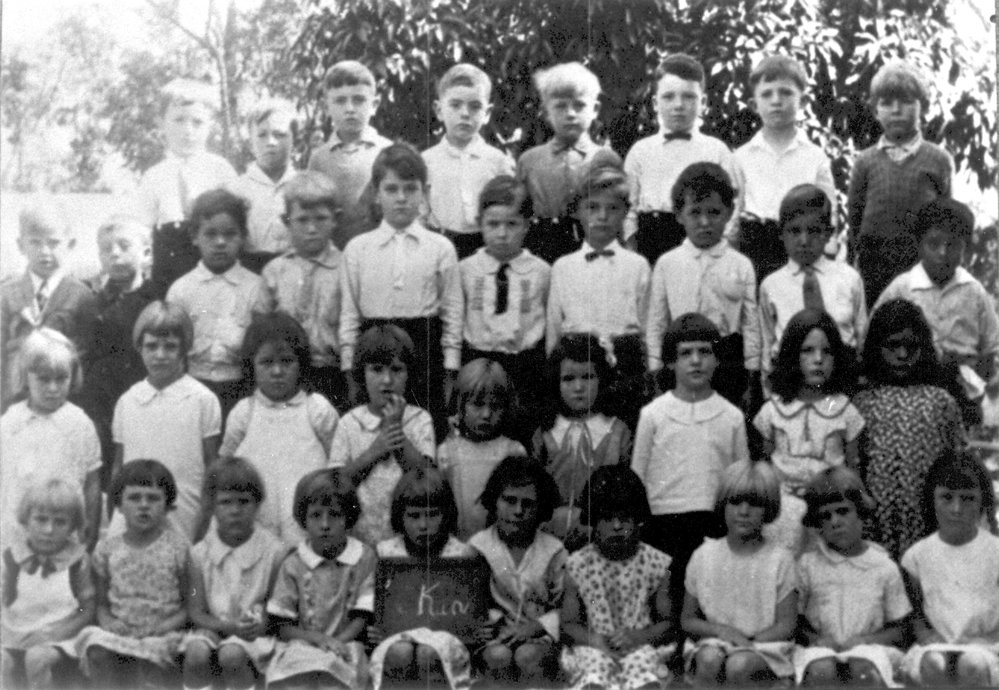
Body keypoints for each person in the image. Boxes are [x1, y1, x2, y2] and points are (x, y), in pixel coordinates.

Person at [632, 313, 749, 629]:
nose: (696, 361)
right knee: (668, 606)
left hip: (713, 525)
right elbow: (637, 478)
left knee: (707, 604)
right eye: (685, 353)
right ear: (671, 362)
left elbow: (740, 482)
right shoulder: (653, 415)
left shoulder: (732, 417)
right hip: (663, 525)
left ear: (717, 359)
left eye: (704, 352)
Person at [339, 143, 462, 433]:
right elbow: (349, 315)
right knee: (373, 435)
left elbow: (452, 313)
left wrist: (449, 371)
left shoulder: (440, 247)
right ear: (376, 193)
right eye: (391, 189)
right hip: (373, 353)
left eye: (410, 189)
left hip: (423, 354)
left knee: (422, 434)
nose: (402, 198)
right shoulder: (358, 249)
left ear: (424, 192)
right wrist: (349, 372)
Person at [853, 299, 962, 559]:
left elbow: (956, 464)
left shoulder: (941, 401)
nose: (902, 355)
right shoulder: (862, 402)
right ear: (876, 347)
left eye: (911, 347)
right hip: (874, 524)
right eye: (892, 346)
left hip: (926, 521)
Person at [646, 162, 761, 407]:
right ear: (679, 214)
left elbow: (750, 325)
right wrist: (655, 371)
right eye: (695, 213)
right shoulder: (667, 264)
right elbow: (657, 322)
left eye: (714, 212)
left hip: (727, 363)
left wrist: (751, 376)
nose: (705, 222)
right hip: (681, 360)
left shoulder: (741, 264)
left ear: (729, 212)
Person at [221, 313, 338, 546]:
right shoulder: (244, 413)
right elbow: (226, 469)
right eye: (267, 362)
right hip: (257, 536)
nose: (277, 371)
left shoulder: (317, 410)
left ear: (301, 363)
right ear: (252, 366)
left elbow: (338, 467)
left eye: (286, 361)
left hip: (310, 534)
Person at [875, 198, 999, 418]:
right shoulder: (902, 288)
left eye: (952, 245)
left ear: (966, 248)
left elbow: (991, 349)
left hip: (964, 392)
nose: (943, 253)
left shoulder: (974, 291)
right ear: (919, 244)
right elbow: (874, 339)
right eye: (934, 244)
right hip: (912, 390)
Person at [72, 460, 190, 690]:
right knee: (96, 645)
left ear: (167, 506)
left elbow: (189, 604)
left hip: (162, 634)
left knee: (152, 662)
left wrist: (167, 625)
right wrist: (109, 622)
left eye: (153, 498)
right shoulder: (107, 549)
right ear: (119, 505)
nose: (143, 505)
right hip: (121, 632)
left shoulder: (179, 548)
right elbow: (101, 604)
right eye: (134, 498)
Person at [754, 308, 864, 554]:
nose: (818, 359)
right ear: (792, 355)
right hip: (782, 514)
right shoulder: (773, 411)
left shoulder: (844, 410)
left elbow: (852, 469)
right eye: (808, 350)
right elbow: (764, 470)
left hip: (828, 512)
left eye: (827, 351)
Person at [681, 461, 797, 686]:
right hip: (716, 641)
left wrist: (748, 642)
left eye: (754, 504)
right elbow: (688, 619)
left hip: (764, 646)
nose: (744, 512)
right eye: (735, 502)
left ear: (768, 509)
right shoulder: (704, 555)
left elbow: (787, 624)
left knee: (739, 665)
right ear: (723, 505)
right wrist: (720, 631)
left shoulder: (780, 559)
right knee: (708, 659)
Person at [112, 301, 221, 541]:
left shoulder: (202, 399)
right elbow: (118, 468)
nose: (160, 355)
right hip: (134, 514)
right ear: (139, 347)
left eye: (170, 347)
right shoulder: (128, 401)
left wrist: (205, 519)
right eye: (151, 346)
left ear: (184, 350)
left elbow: (212, 468)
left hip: (185, 513)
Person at [794, 467, 912, 687]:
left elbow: (901, 629)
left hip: (870, 650)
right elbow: (796, 621)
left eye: (843, 511)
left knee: (863, 670)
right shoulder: (808, 565)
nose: (835, 522)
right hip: (821, 650)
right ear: (818, 524)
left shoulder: (883, 566)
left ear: (861, 513)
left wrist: (867, 641)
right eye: (826, 516)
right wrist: (816, 639)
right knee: (821, 670)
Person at [847, 59, 954, 303]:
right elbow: (855, 221)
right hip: (874, 269)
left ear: (922, 107)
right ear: (875, 111)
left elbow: (948, 220)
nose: (896, 110)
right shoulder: (865, 161)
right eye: (886, 103)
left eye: (905, 101)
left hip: (921, 267)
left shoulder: (938, 160)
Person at [560, 466, 675, 689]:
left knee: (646, 671)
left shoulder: (655, 563)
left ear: (638, 519)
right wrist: (595, 641)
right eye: (606, 518)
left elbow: (667, 622)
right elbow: (568, 623)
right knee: (592, 672)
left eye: (624, 518)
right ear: (593, 520)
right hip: (595, 644)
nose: (616, 526)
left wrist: (640, 636)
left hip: (639, 642)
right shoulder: (579, 564)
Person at [368, 467, 483, 690]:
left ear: (446, 514)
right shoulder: (386, 553)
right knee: (399, 652)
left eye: (432, 515)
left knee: (428, 653)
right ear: (400, 516)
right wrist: (374, 627)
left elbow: (473, 609)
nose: (423, 525)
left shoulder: (462, 555)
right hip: (396, 638)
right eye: (414, 516)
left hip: (447, 642)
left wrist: (480, 627)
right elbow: (377, 602)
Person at [623, 53, 743, 266]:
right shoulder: (640, 151)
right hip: (651, 245)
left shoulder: (717, 151)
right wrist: (634, 252)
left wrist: (718, 253)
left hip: (705, 244)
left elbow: (733, 208)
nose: (678, 105)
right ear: (655, 103)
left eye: (688, 97)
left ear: (703, 102)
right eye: (668, 97)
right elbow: (628, 209)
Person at [182, 458, 286, 690]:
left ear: (257, 504)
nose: (235, 511)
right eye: (226, 502)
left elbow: (276, 607)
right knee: (196, 653)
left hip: (255, 637)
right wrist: (226, 626)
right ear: (211, 506)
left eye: (244, 502)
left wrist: (263, 623)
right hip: (213, 627)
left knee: (231, 654)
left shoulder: (274, 552)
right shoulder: (199, 554)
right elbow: (196, 612)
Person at [265, 468, 374, 689]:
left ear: (348, 518)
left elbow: (361, 617)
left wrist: (336, 643)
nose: (325, 524)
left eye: (334, 515)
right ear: (304, 519)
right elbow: (283, 627)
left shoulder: (363, 557)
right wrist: (319, 640)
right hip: (304, 645)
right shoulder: (294, 563)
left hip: (346, 643)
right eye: (316, 515)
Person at [166, 188, 269, 420]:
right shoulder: (181, 289)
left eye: (230, 234)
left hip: (241, 389)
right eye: (210, 234)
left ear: (243, 236)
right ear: (195, 236)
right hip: (192, 386)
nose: (220, 242)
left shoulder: (256, 287)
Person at [546, 156, 651, 384]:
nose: (602, 217)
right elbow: (554, 330)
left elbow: (648, 327)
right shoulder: (563, 267)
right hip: (579, 363)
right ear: (577, 211)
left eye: (612, 208)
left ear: (625, 212)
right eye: (592, 207)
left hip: (626, 364)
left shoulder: (638, 265)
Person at [899, 450, 999, 686]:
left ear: (983, 502)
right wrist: (926, 636)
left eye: (967, 499)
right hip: (937, 645)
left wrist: (989, 639)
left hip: (988, 645)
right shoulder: (917, 556)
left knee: (972, 665)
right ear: (932, 500)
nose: (956, 509)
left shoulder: (995, 552)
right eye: (947, 498)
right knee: (934, 665)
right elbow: (915, 613)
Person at [734, 55, 837, 281]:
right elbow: (733, 214)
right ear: (754, 105)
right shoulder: (741, 157)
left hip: (802, 248)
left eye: (786, 93)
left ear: (804, 101)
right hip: (753, 250)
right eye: (766, 94)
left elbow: (829, 214)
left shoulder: (815, 157)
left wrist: (828, 257)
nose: (776, 101)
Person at [329, 324, 435, 545]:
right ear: (362, 373)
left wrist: (395, 431)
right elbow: (336, 485)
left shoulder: (419, 420)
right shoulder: (349, 422)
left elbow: (428, 480)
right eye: (377, 370)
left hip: (408, 542)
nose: (387, 380)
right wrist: (375, 451)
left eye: (396, 370)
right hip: (360, 538)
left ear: (409, 374)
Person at [459, 175, 550, 424]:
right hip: (477, 361)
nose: (502, 233)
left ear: (527, 225)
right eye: (493, 224)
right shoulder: (466, 269)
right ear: (480, 223)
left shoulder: (541, 271)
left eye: (512, 224)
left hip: (524, 366)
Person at [0, 329, 102, 550]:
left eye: (61, 379)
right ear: (26, 377)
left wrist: (90, 527)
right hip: (16, 534)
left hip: (65, 535)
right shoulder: (10, 422)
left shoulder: (79, 424)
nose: (53, 388)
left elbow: (92, 482)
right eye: (44, 379)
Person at [136, 78, 238, 296]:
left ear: (210, 125)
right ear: (161, 123)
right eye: (179, 120)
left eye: (197, 122)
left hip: (216, 270)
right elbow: (143, 230)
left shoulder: (221, 170)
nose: (188, 130)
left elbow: (237, 225)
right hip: (169, 274)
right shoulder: (154, 177)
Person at [469, 456, 566, 685]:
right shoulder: (478, 548)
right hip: (494, 638)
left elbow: (569, 608)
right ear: (494, 501)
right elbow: (466, 604)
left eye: (528, 503)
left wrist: (536, 627)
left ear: (541, 507)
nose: (518, 511)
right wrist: (481, 625)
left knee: (527, 655)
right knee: (498, 656)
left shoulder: (554, 551)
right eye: (509, 501)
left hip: (540, 638)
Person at [759, 185, 867, 383]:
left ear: (829, 233)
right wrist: (769, 392)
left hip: (842, 377)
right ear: (781, 233)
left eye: (814, 231)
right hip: (792, 380)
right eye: (794, 231)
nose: (804, 240)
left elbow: (862, 337)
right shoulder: (771, 285)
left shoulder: (849, 278)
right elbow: (767, 345)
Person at [533, 333, 631, 549]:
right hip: (549, 538)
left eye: (587, 377)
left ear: (602, 378)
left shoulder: (617, 431)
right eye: (568, 379)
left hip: (603, 539)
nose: (578, 387)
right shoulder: (547, 432)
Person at [517, 61, 620, 264]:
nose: (570, 113)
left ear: (595, 109)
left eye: (579, 105)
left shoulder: (606, 159)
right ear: (546, 111)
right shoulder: (530, 161)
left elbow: (618, 211)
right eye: (560, 106)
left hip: (593, 246)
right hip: (542, 248)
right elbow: (519, 214)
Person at [1, 196, 98, 409]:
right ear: (21, 245)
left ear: (70, 244)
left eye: (53, 243)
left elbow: (86, 358)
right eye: (35, 242)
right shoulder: (6, 294)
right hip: (13, 403)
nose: (45, 251)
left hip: (62, 402)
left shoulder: (82, 296)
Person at [80, 217, 157, 480]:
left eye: (124, 246)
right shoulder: (93, 301)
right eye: (106, 249)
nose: (114, 254)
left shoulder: (155, 301)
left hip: (139, 397)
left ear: (146, 253)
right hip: (100, 402)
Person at [263, 171, 347, 410]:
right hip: (285, 374)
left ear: (335, 219)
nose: (311, 228)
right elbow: (262, 327)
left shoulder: (347, 268)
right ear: (286, 221)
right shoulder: (275, 271)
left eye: (320, 219)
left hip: (332, 375)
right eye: (302, 220)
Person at [1, 479, 95, 690]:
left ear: (73, 526)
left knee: (37, 659)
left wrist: (56, 633)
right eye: (40, 519)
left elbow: (86, 609)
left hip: (60, 637)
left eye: (60, 522)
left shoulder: (77, 561)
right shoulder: (11, 558)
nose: (49, 529)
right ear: (26, 519)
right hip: (16, 632)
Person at [423, 63, 515, 259]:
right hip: (439, 245)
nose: (465, 113)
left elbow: (508, 211)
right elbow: (421, 212)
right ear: (439, 110)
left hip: (486, 247)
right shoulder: (427, 161)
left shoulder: (498, 161)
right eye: (455, 105)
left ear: (487, 113)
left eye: (475, 106)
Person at [437, 358, 526, 540]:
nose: (486, 414)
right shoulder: (448, 451)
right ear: (461, 404)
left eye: (495, 406)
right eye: (477, 404)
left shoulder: (513, 452)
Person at [307, 60, 391, 249]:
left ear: (374, 104)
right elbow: (313, 210)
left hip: (379, 251)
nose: (350, 109)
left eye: (359, 100)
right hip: (333, 255)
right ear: (326, 107)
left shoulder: (387, 151)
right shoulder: (319, 158)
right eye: (340, 101)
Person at [227, 98, 299, 272]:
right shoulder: (236, 190)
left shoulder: (303, 185)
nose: (271, 142)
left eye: (280, 134)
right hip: (251, 270)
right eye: (262, 135)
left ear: (294, 140)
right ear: (250, 142)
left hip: (296, 268)